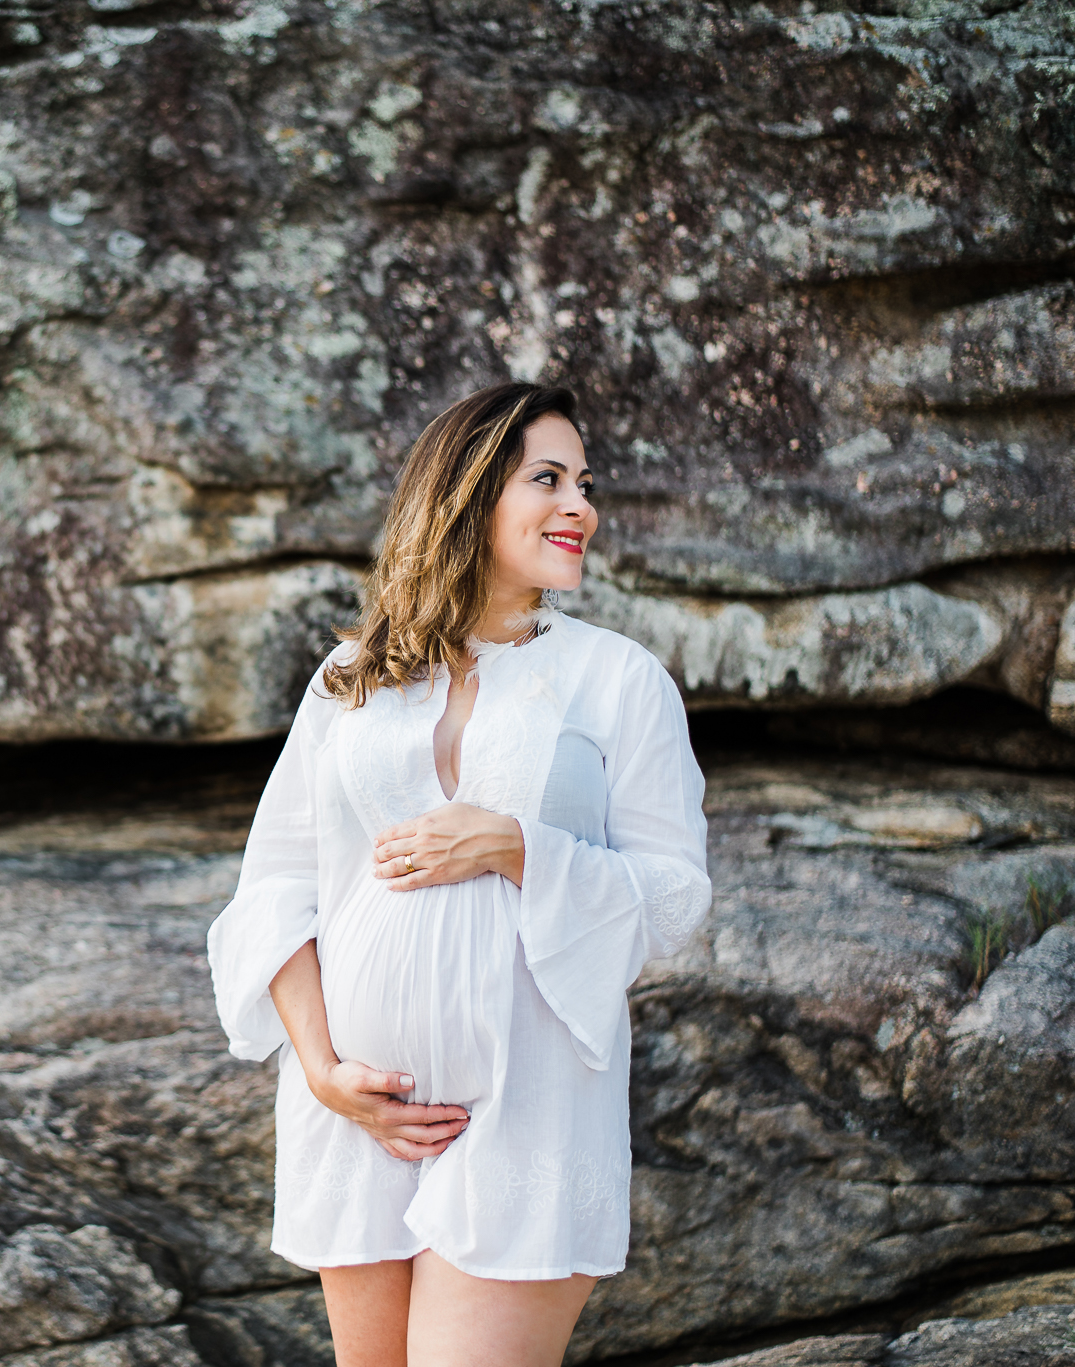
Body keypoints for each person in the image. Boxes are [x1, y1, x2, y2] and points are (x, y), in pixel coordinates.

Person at [206, 382, 712, 1366]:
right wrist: (322, 1072)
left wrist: (515, 845)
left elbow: (674, 900)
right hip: (355, 1113)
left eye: (585, 483)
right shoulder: (354, 676)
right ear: (468, 493)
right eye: (548, 479)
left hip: (527, 1106)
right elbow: (273, 888)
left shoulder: (617, 680)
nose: (581, 506)